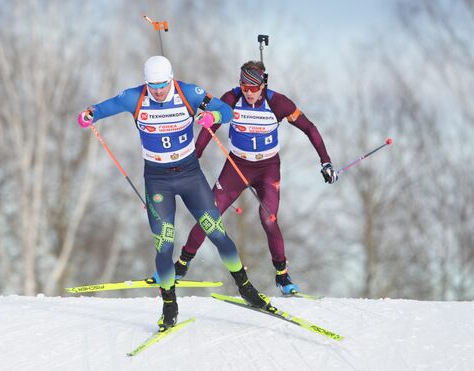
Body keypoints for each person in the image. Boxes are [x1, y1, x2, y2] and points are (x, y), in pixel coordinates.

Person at [77, 56, 273, 331]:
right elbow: (102, 108)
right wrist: (88, 115)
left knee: (217, 233)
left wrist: (212, 116)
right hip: (157, 181)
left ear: (171, 79)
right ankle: (169, 305)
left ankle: (245, 286)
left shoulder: (188, 92)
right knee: (163, 244)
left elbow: (227, 112)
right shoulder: (134, 97)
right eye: (153, 86)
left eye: (162, 85)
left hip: (190, 176)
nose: (158, 91)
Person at [173, 61, 338, 295]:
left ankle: (282, 276)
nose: (249, 93)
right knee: (210, 215)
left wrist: (325, 161)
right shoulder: (231, 99)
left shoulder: (278, 103)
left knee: (268, 218)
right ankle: (181, 264)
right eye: (244, 87)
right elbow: (209, 128)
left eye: (253, 88)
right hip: (236, 165)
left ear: (263, 85)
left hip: (267, 167)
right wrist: (193, 156)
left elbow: (309, 128)